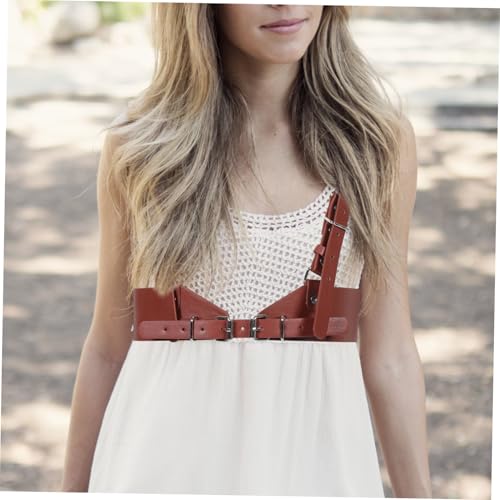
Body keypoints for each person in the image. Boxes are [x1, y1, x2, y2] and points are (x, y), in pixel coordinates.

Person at [61, 3, 432, 497]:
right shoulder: (140, 148)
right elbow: (108, 348)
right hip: (158, 465)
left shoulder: (376, 146)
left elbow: (391, 356)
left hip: (316, 466)